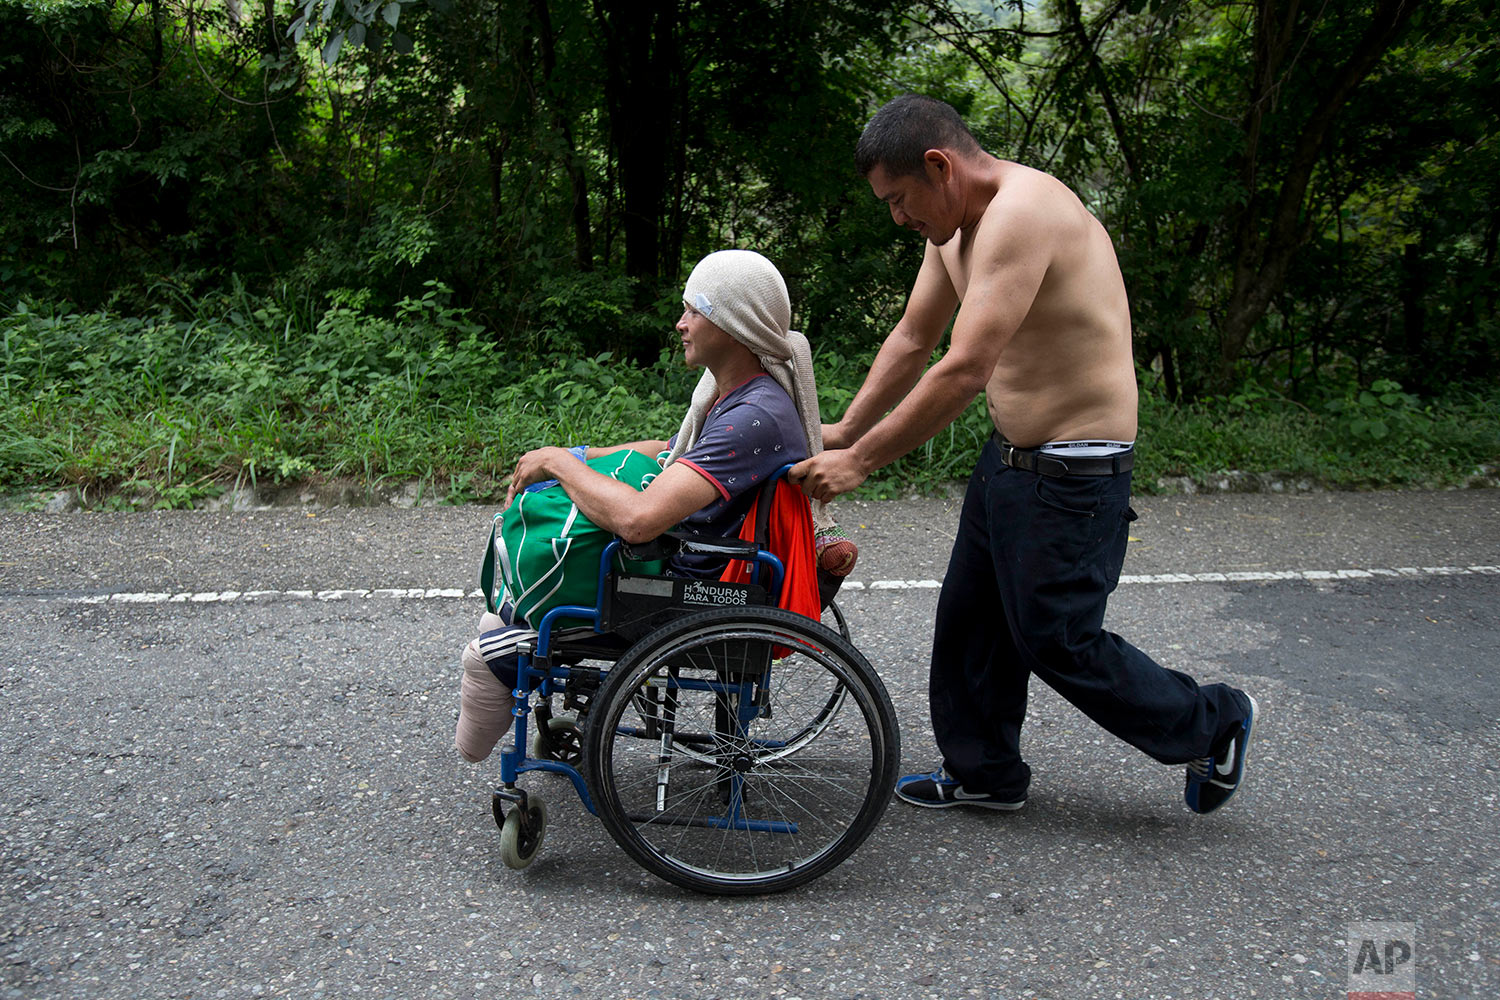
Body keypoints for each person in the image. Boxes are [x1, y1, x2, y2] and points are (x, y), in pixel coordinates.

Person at [790, 94, 1257, 815]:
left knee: (1058, 639)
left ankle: (1212, 721)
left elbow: (965, 366)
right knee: (972, 620)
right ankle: (985, 774)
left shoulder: (1023, 212)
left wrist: (864, 461)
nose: (897, 217)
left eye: (899, 199)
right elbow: (916, 338)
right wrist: (851, 426)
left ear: (939, 166)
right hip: (1011, 457)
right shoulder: (951, 232)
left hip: (1077, 470)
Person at [455, 249, 837, 764]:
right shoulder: (742, 396)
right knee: (498, 619)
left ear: (731, 324)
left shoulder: (752, 417)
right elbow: (672, 451)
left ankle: (485, 734)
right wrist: (583, 455)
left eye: (693, 311)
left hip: (682, 594)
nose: (680, 324)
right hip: (699, 570)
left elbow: (637, 521)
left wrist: (561, 466)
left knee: (485, 651)